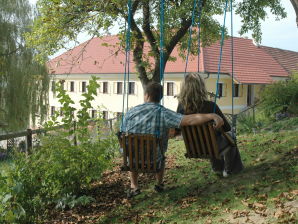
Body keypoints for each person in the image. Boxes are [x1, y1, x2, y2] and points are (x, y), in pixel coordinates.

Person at [121, 81, 224, 198]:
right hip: (154, 159)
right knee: (160, 152)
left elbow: (122, 133)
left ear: (147, 95)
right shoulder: (163, 113)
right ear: (160, 97)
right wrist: (212, 115)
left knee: (132, 148)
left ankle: (134, 186)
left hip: (132, 158)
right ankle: (159, 184)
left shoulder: (130, 112)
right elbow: (189, 120)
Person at [177, 73, 244, 177]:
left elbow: (177, 128)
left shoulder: (181, 108)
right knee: (230, 136)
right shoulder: (211, 106)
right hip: (212, 147)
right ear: (201, 87)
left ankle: (217, 169)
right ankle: (232, 169)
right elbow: (227, 127)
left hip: (193, 148)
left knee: (213, 138)